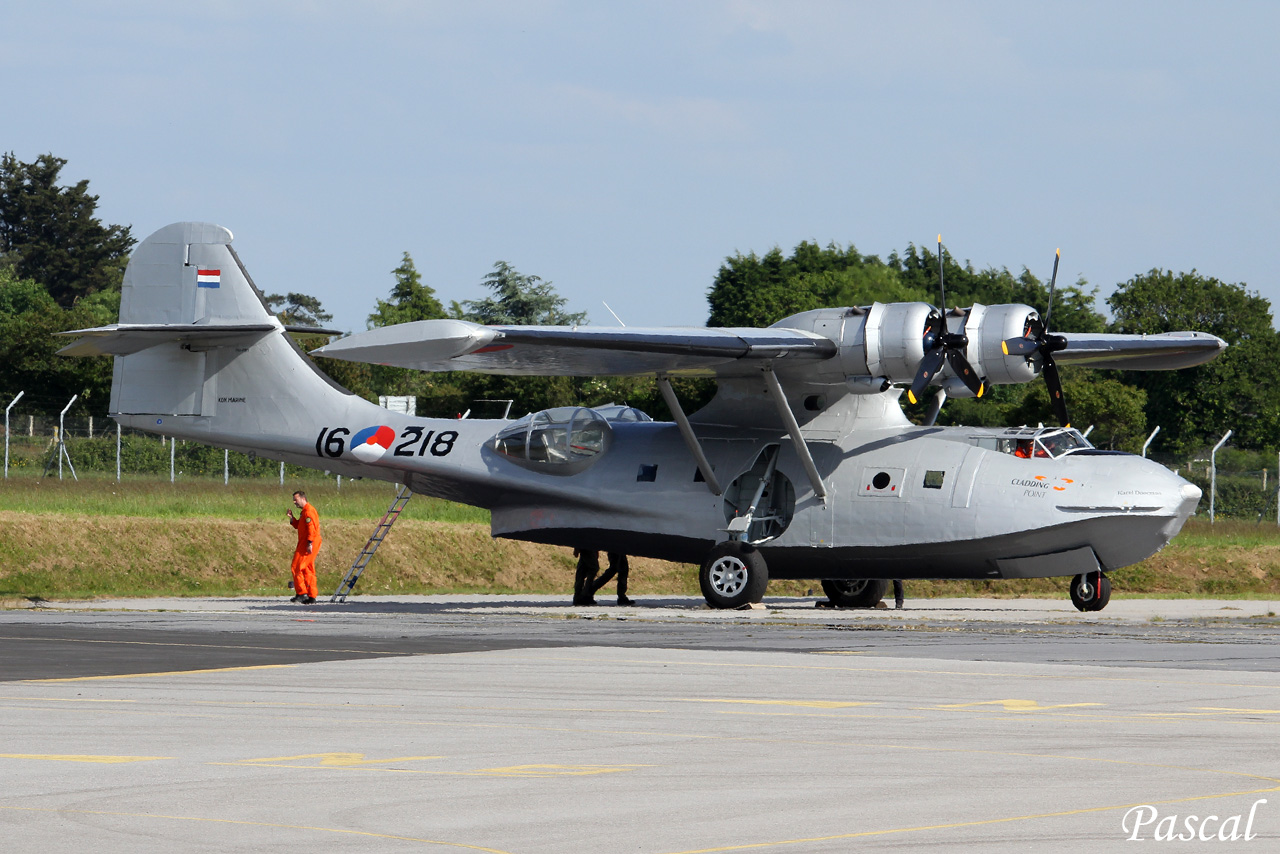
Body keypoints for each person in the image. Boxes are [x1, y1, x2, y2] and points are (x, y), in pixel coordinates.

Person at [287, 490, 321, 604]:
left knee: (296, 566)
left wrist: (309, 543)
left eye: (296, 500)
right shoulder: (304, 512)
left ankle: (302, 593)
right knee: (308, 569)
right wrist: (292, 518)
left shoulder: (309, 511)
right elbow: (299, 526)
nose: (294, 502)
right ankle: (312, 595)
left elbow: (312, 528)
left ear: (303, 499)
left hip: (308, 542)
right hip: (307, 542)